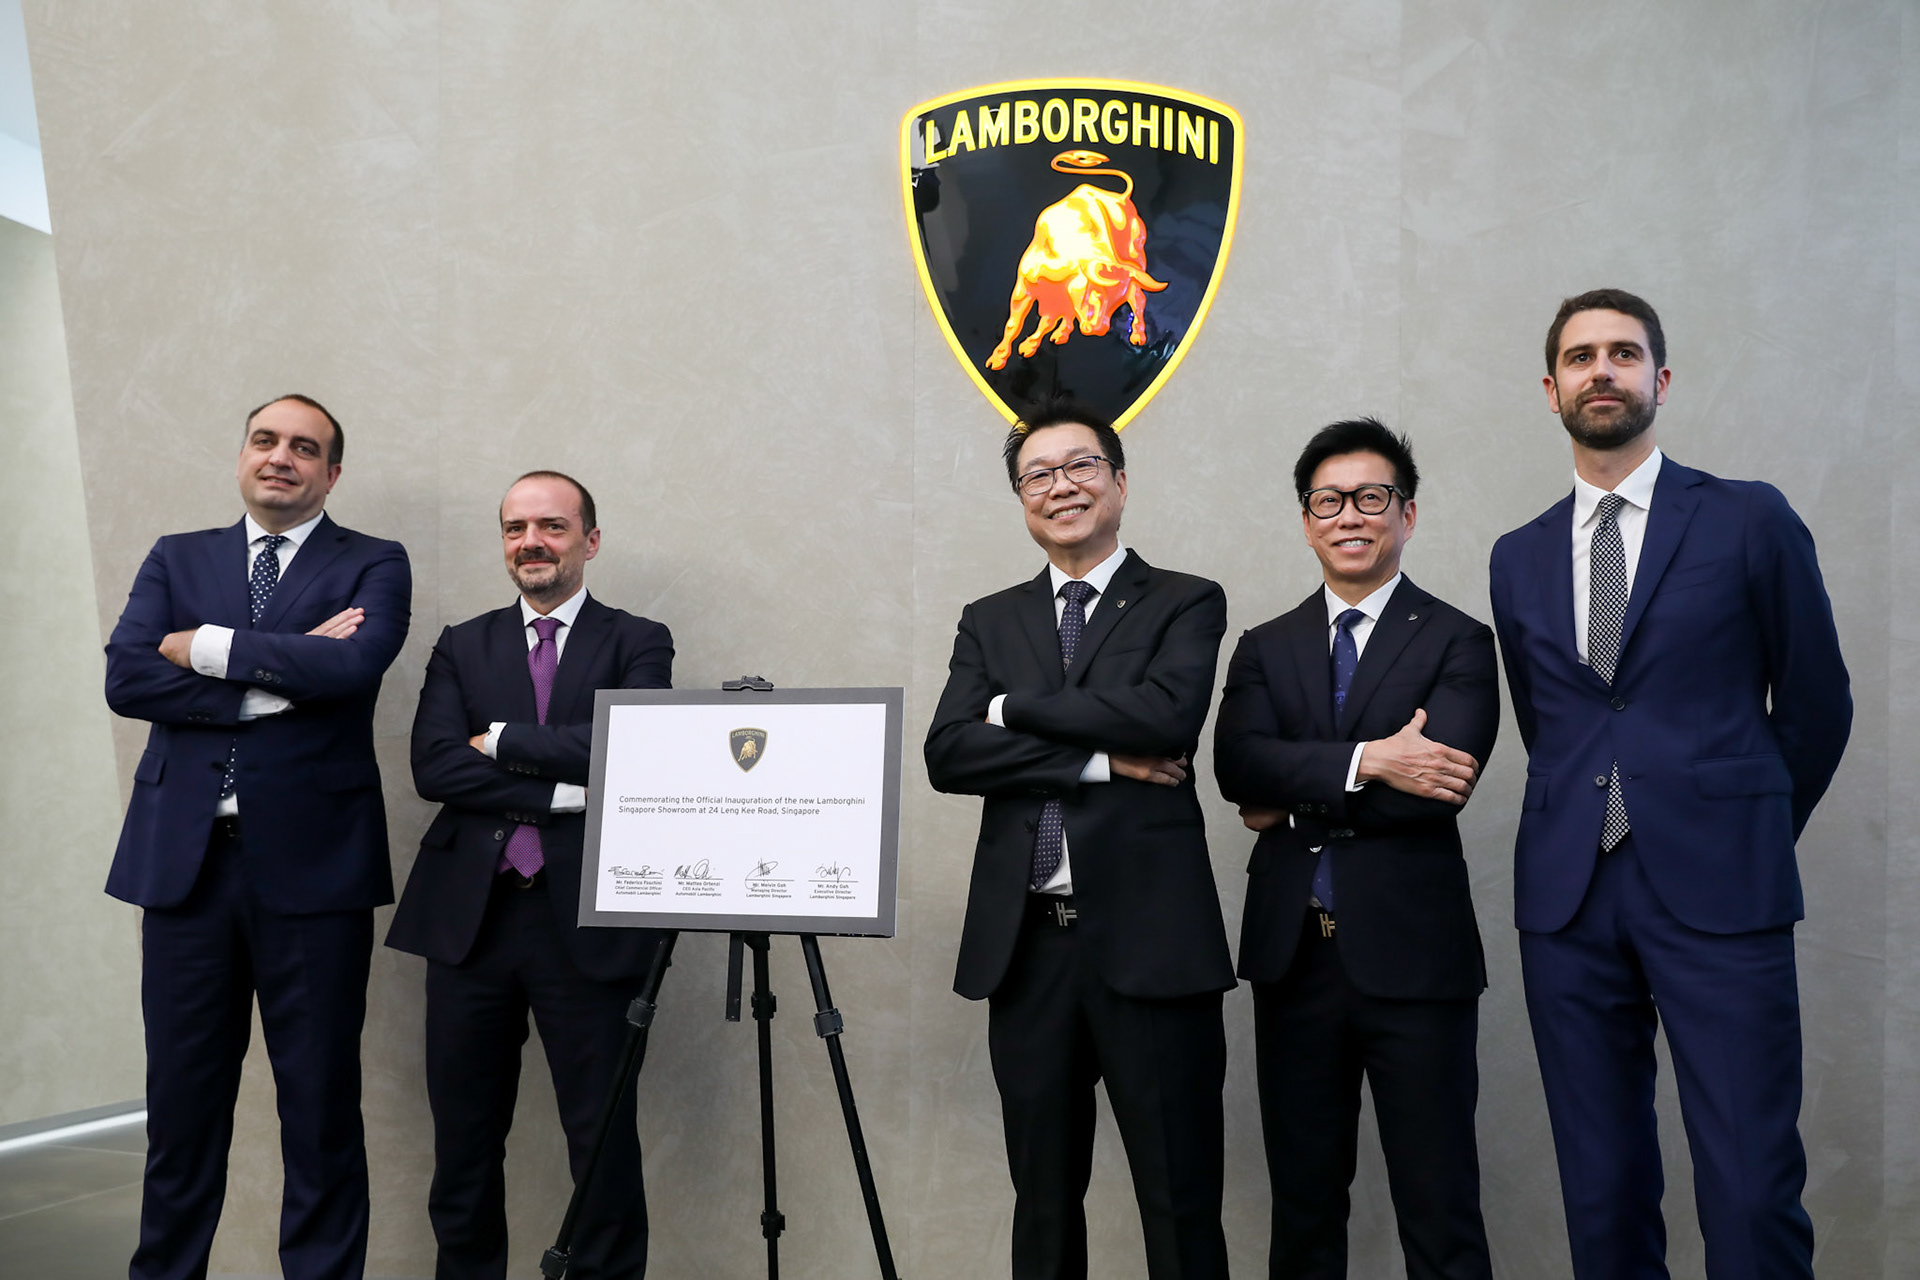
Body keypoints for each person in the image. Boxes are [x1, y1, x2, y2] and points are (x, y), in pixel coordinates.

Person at [1488, 289, 1851, 1278]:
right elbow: (1551, 723)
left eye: (1623, 352)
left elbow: (1817, 702)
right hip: (1568, 897)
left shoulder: (1748, 517)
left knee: (1748, 1181)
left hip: (1721, 886)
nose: (1601, 370)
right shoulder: (1518, 556)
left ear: (1662, 378)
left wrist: (1744, 827)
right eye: (1580, 357)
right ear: (1552, 389)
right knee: (1599, 1186)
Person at [924, 398, 1234, 1280]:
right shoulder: (990, 618)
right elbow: (949, 753)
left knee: (1179, 1201)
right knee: (1044, 1204)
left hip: (1152, 947)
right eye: (1038, 475)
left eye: (1080, 466)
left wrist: (1010, 707)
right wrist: (1099, 761)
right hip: (1028, 951)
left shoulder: (1184, 600)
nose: (1060, 486)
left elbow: (1166, 716)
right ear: (1022, 499)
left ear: (1120, 483)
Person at [104, 394, 411, 1280]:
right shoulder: (178, 554)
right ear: (242, 455)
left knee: (319, 1110)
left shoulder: (374, 560)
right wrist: (273, 679)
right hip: (185, 871)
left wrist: (199, 645)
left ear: (332, 473)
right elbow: (128, 678)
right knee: (181, 1110)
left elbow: (353, 665)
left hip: (316, 873)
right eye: (265, 440)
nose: (281, 457)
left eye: (304, 448)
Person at [1214, 418, 1498, 1279]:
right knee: (1303, 1210)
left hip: (1416, 958)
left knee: (1440, 1207)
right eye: (1328, 501)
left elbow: (1437, 785)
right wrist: (1371, 760)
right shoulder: (1264, 646)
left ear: (1406, 514)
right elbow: (1236, 768)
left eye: (1371, 498)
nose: (1349, 515)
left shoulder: (1458, 639)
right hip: (1294, 957)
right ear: (1307, 521)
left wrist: (1292, 795)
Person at [386, 470, 673, 1279]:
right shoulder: (463, 642)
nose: (531, 542)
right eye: (515, 528)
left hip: (586, 921)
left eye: (551, 526)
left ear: (590, 540)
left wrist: (503, 740)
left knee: (601, 1142)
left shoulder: (639, 640)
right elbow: (435, 766)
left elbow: (634, 745)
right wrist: (564, 791)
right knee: (464, 1142)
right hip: (469, 925)